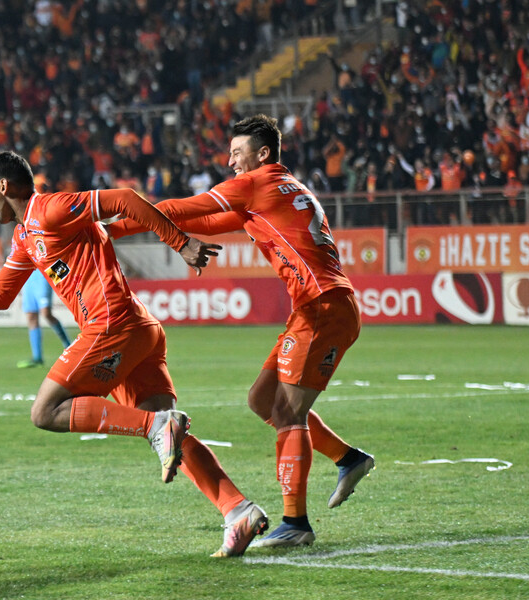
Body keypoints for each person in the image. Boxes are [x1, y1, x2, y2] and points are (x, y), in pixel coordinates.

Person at [0, 151, 268, 557]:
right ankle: (238, 510)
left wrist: (180, 242)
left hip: (112, 324)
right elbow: (2, 294)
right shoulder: (25, 236)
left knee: (46, 411)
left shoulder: (51, 209)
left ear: (4, 186)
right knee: (170, 433)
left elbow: (125, 197)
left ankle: (156, 427)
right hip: (137, 330)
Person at [109, 115, 374, 548]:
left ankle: (296, 523)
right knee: (262, 400)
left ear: (263, 154)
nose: (230, 160)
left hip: (323, 307)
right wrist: (163, 232)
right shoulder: (280, 189)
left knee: (288, 413)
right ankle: (349, 459)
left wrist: (110, 225)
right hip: (320, 306)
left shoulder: (259, 183)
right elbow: (206, 224)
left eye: (237, 152)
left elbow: (183, 209)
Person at [17, 269, 73, 368]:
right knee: (31, 316)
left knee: (46, 313)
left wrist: (60, 282)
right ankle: (37, 357)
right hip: (29, 276)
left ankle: (69, 346)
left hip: (43, 275)